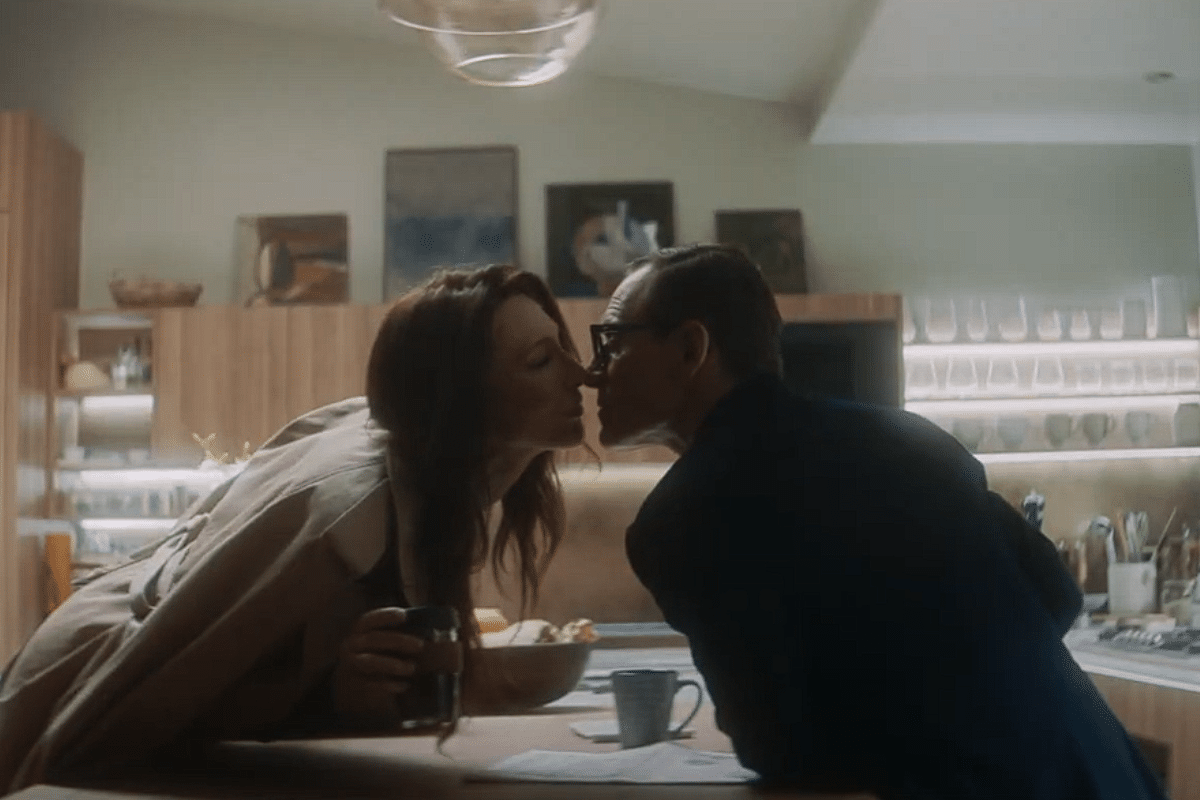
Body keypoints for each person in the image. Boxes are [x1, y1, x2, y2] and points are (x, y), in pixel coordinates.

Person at [583, 243, 1167, 800]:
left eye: (611, 344)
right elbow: (1056, 592)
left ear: (691, 349)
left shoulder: (682, 518)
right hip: (1100, 775)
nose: (593, 372)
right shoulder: (904, 436)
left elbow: (777, 746)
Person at [0, 264, 589, 793]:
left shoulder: (428, 465)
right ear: (460, 401)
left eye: (562, 348)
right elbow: (154, 687)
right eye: (541, 362)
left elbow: (266, 668)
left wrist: (342, 690)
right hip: (93, 666)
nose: (582, 373)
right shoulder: (348, 517)